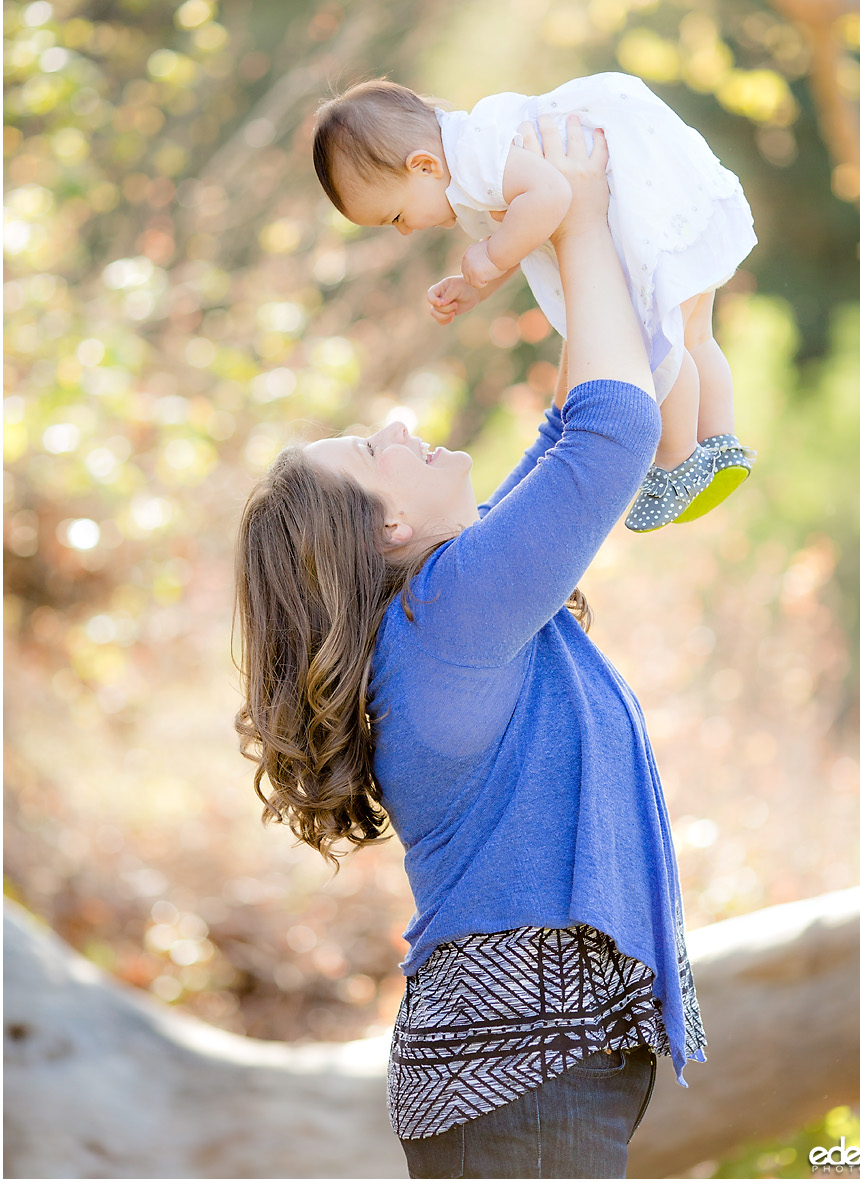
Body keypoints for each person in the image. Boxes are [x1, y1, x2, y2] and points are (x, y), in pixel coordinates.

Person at [235, 120, 707, 1179]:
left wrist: (569, 233)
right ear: (385, 534)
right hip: (521, 1070)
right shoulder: (449, 618)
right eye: (373, 450)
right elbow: (610, 435)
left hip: (525, 1065)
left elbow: (570, 434)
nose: (398, 427)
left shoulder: (450, 615)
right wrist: (576, 214)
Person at [312, 74, 757, 532]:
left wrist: (492, 253)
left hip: (639, 198)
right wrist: (478, 284)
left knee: (657, 343)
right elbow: (528, 225)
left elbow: (552, 195)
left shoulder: (475, 158)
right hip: (662, 188)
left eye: (398, 216)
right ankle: (720, 441)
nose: (406, 230)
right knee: (696, 332)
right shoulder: (473, 151)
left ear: (424, 166)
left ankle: (678, 461)